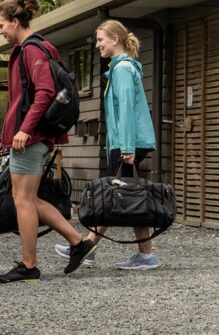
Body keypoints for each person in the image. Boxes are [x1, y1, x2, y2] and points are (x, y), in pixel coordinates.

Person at [0, 0, 95, 283]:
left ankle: (29, 266)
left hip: (30, 138)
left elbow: (46, 93)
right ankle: (79, 244)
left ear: (15, 21)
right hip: (34, 137)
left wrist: (24, 129)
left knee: (22, 199)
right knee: (29, 198)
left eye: (0, 25)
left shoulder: (32, 50)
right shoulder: (36, 49)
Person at [55, 20, 159, 270]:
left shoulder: (122, 69)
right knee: (127, 193)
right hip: (128, 141)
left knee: (113, 195)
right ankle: (143, 255)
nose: (97, 45)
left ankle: (87, 246)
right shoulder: (119, 68)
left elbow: (125, 108)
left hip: (127, 143)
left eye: (101, 39)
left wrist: (127, 148)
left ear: (116, 39)